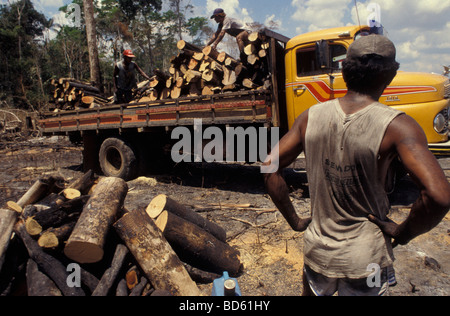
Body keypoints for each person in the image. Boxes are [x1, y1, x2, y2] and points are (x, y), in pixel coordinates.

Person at [264, 35, 450, 296]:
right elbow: (439, 196)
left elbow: (268, 165)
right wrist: (403, 232)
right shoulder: (398, 126)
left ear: (343, 70)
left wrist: (295, 221)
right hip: (368, 263)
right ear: (391, 74)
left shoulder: (310, 117)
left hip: (318, 257)